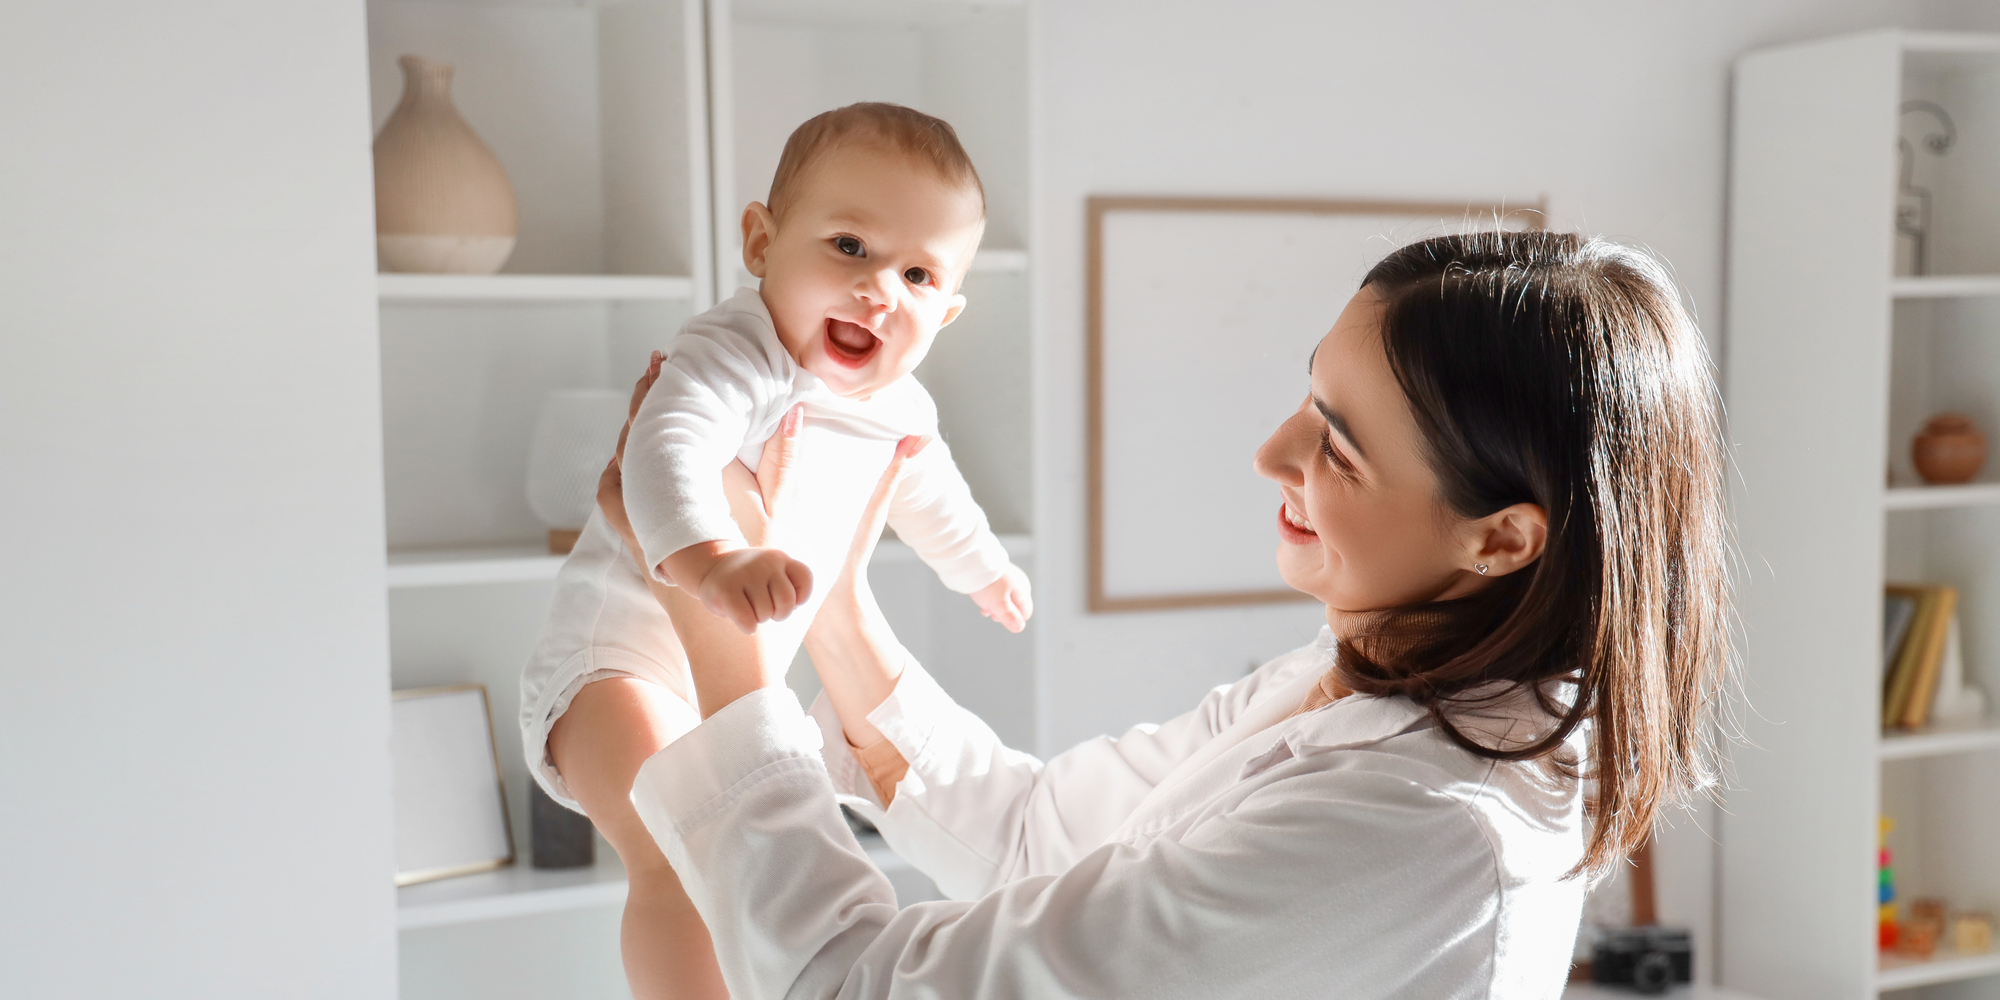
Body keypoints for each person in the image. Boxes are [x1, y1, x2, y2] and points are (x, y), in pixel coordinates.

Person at [602, 230, 1731, 999]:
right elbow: (1042, 838)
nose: (1271, 453)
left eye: (1335, 444)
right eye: (1306, 398)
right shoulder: (1350, 678)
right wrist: (837, 610)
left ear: (1500, 537)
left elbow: (854, 984)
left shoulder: (1421, 825)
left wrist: (722, 649)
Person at [517, 103, 1031, 1000]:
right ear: (761, 242)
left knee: (731, 876)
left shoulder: (901, 409)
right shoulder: (734, 354)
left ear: (946, 313)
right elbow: (662, 448)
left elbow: (931, 496)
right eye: (848, 247)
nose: (880, 290)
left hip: (727, 677)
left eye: (917, 274)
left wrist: (981, 568)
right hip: (613, 666)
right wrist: (710, 559)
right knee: (676, 863)